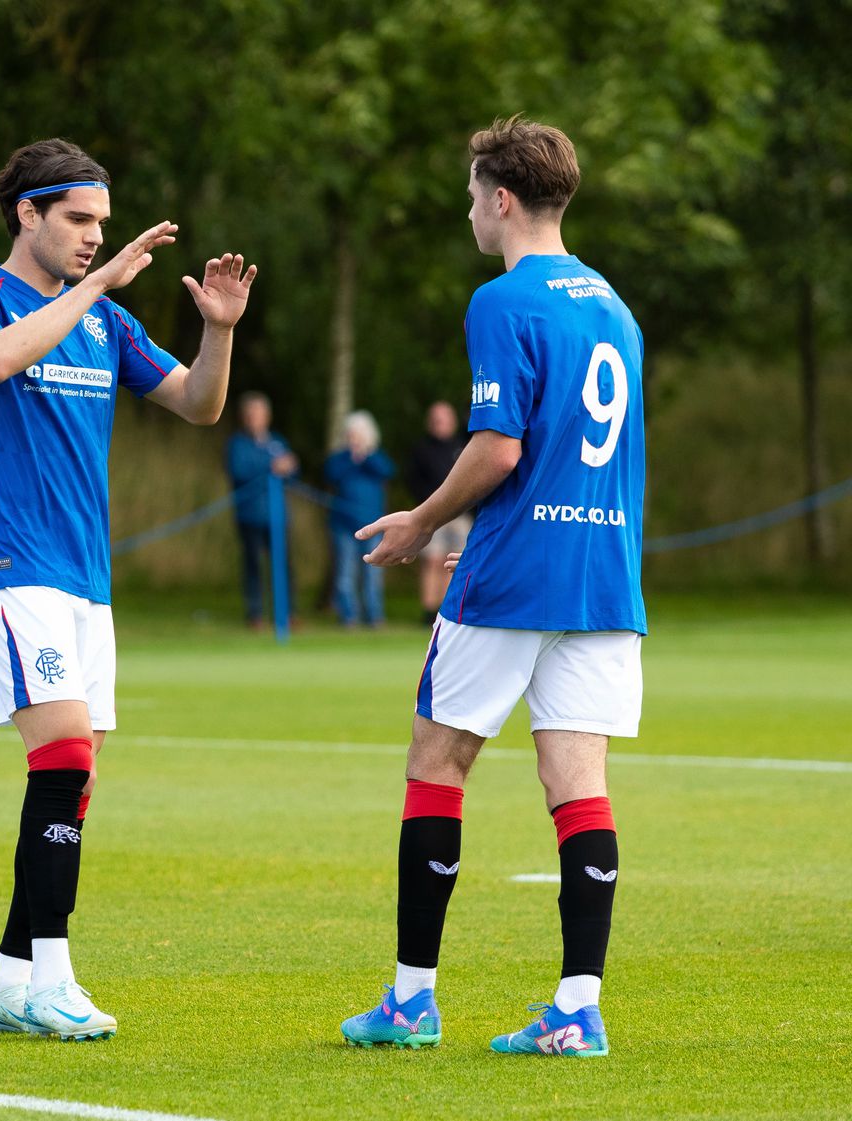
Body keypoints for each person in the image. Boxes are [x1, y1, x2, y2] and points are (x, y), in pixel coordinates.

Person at [0, 138, 256, 1041]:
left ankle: (9, 978)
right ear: (27, 214)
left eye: (102, 226)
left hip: (86, 577)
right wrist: (96, 286)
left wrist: (219, 329)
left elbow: (198, 403)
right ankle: (56, 978)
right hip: (9, 565)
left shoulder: (107, 324)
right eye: (77, 219)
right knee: (66, 755)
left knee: (72, 778)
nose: (92, 238)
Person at [340, 116, 645, 1057]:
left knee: (438, 762)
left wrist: (422, 522)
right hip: (605, 580)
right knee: (578, 784)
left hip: (515, 573)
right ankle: (577, 1007)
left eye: (474, 193)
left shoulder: (503, 300)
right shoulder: (617, 308)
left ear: (501, 197)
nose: (470, 210)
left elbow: (500, 447)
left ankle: (409, 1000)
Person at [224, 391, 298, 627]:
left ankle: (287, 613)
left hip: (277, 516)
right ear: (244, 417)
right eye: (251, 413)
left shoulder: (276, 442)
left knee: (284, 566)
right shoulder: (237, 443)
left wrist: (289, 467)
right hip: (250, 515)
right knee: (253, 565)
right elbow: (239, 471)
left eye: (259, 413)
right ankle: (255, 614)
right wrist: (271, 466)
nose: (255, 418)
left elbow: (292, 473)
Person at [324, 411, 395, 627]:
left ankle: (374, 616)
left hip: (372, 526)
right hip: (343, 525)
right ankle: (349, 616)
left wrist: (365, 457)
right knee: (345, 574)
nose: (353, 439)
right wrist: (352, 459)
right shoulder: (340, 459)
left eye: (358, 435)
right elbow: (331, 475)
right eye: (351, 434)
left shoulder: (376, 459)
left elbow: (388, 471)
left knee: (373, 574)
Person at [406, 402, 472, 625]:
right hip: (432, 514)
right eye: (436, 419)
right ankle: (428, 609)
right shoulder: (421, 449)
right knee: (432, 561)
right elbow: (413, 481)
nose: (440, 424)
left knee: (453, 562)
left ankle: (446, 609)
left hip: (460, 514)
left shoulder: (462, 447)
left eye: (444, 419)